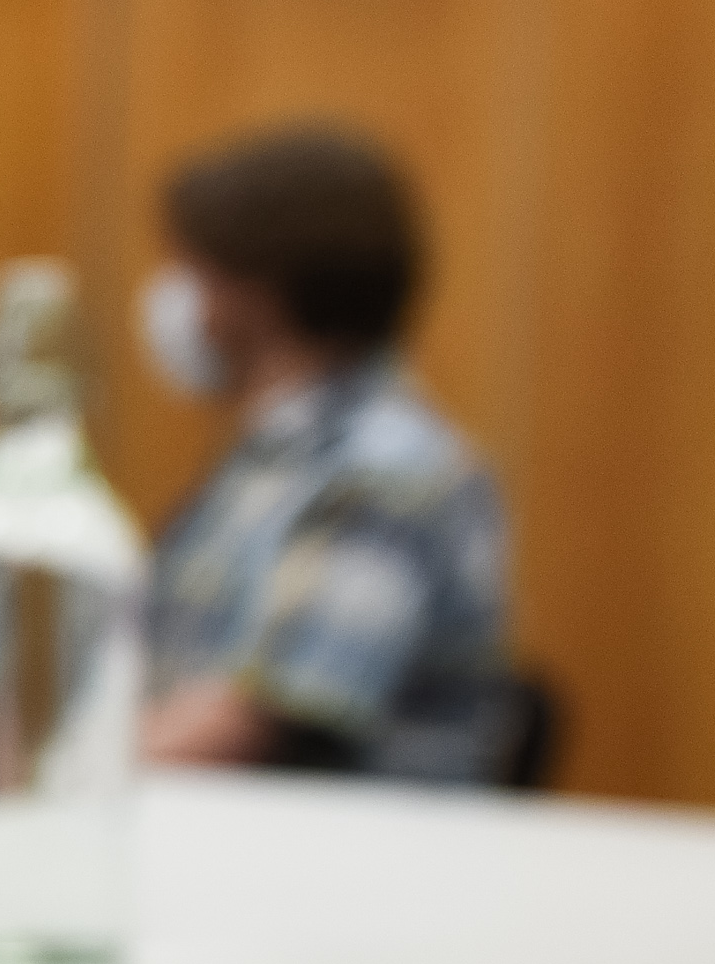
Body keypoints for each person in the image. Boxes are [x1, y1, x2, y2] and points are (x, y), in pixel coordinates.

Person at [130, 124, 517, 782]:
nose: (175, 300)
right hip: (245, 849)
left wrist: (48, 778)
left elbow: (255, 718)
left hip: (353, 870)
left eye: (194, 271)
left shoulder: (386, 470)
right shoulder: (269, 460)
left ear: (259, 290)